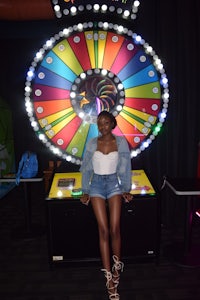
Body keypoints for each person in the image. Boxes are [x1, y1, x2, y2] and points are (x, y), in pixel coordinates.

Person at [80, 110, 133, 300]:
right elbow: (86, 167)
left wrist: (126, 188)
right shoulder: (92, 143)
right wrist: (85, 190)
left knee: (115, 228)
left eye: (105, 122)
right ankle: (109, 277)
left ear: (112, 123)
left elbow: (126, 166)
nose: (102, 126)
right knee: (103, 230)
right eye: (99, 123)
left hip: (113, 185)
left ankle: (117, 266)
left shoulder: (120, 142)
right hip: (95, 186)